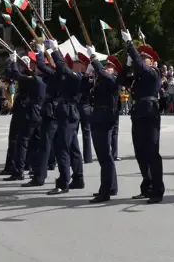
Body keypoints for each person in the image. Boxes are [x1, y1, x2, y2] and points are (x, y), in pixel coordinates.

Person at [120, 30, 164, 204]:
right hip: (138, 114)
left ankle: (157, 190)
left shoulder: (153, 72)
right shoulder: (138, 76)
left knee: (152, 153)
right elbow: (122, 80)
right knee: (140, 153)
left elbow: (142, 67)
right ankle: (147, 186)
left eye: (144, 57)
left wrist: (131, 45)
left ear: (152, 61)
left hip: (150, 113)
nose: (141, 58)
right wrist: (127, 63)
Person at [44, 41, 86, 195]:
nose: (72, 63)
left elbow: (62, 67)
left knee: (62, 148)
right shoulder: (71, 76)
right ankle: (78, 178)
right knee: (73, 148)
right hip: (68, 113)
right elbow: (59, 69)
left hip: (68, 114)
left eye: (76, 62)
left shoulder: (77, 77)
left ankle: (63, 182)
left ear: (82, 65)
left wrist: (55, 50)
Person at [87, 46, 123, 204]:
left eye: (110, 66)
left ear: (115, 70)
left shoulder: (112, 80)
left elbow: (101, 72)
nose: (106, 68)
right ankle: (112, 186)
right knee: (105, 156)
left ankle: (105, 190)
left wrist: (93, 58)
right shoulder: (100, 81)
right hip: (98, 118)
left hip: (104, 119)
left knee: (105, 155)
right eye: (106, 65)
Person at [3, 53, 46, 182]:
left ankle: (19, 171)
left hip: (30, 113)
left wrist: (14, 61)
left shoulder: (33, 79)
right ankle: (35, 170)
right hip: (40, 113)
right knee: (35, 143)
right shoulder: (45, 78)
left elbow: (17, 75)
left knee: (23, 142)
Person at [23, 47, 58, 188]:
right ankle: (71, 177)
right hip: (54, 113)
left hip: (50, 113)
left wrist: (41, 52)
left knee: (45, 146)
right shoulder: (53, 75)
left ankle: (39, 177)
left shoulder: (53, 75)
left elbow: (41, 66)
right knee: (61, 148)